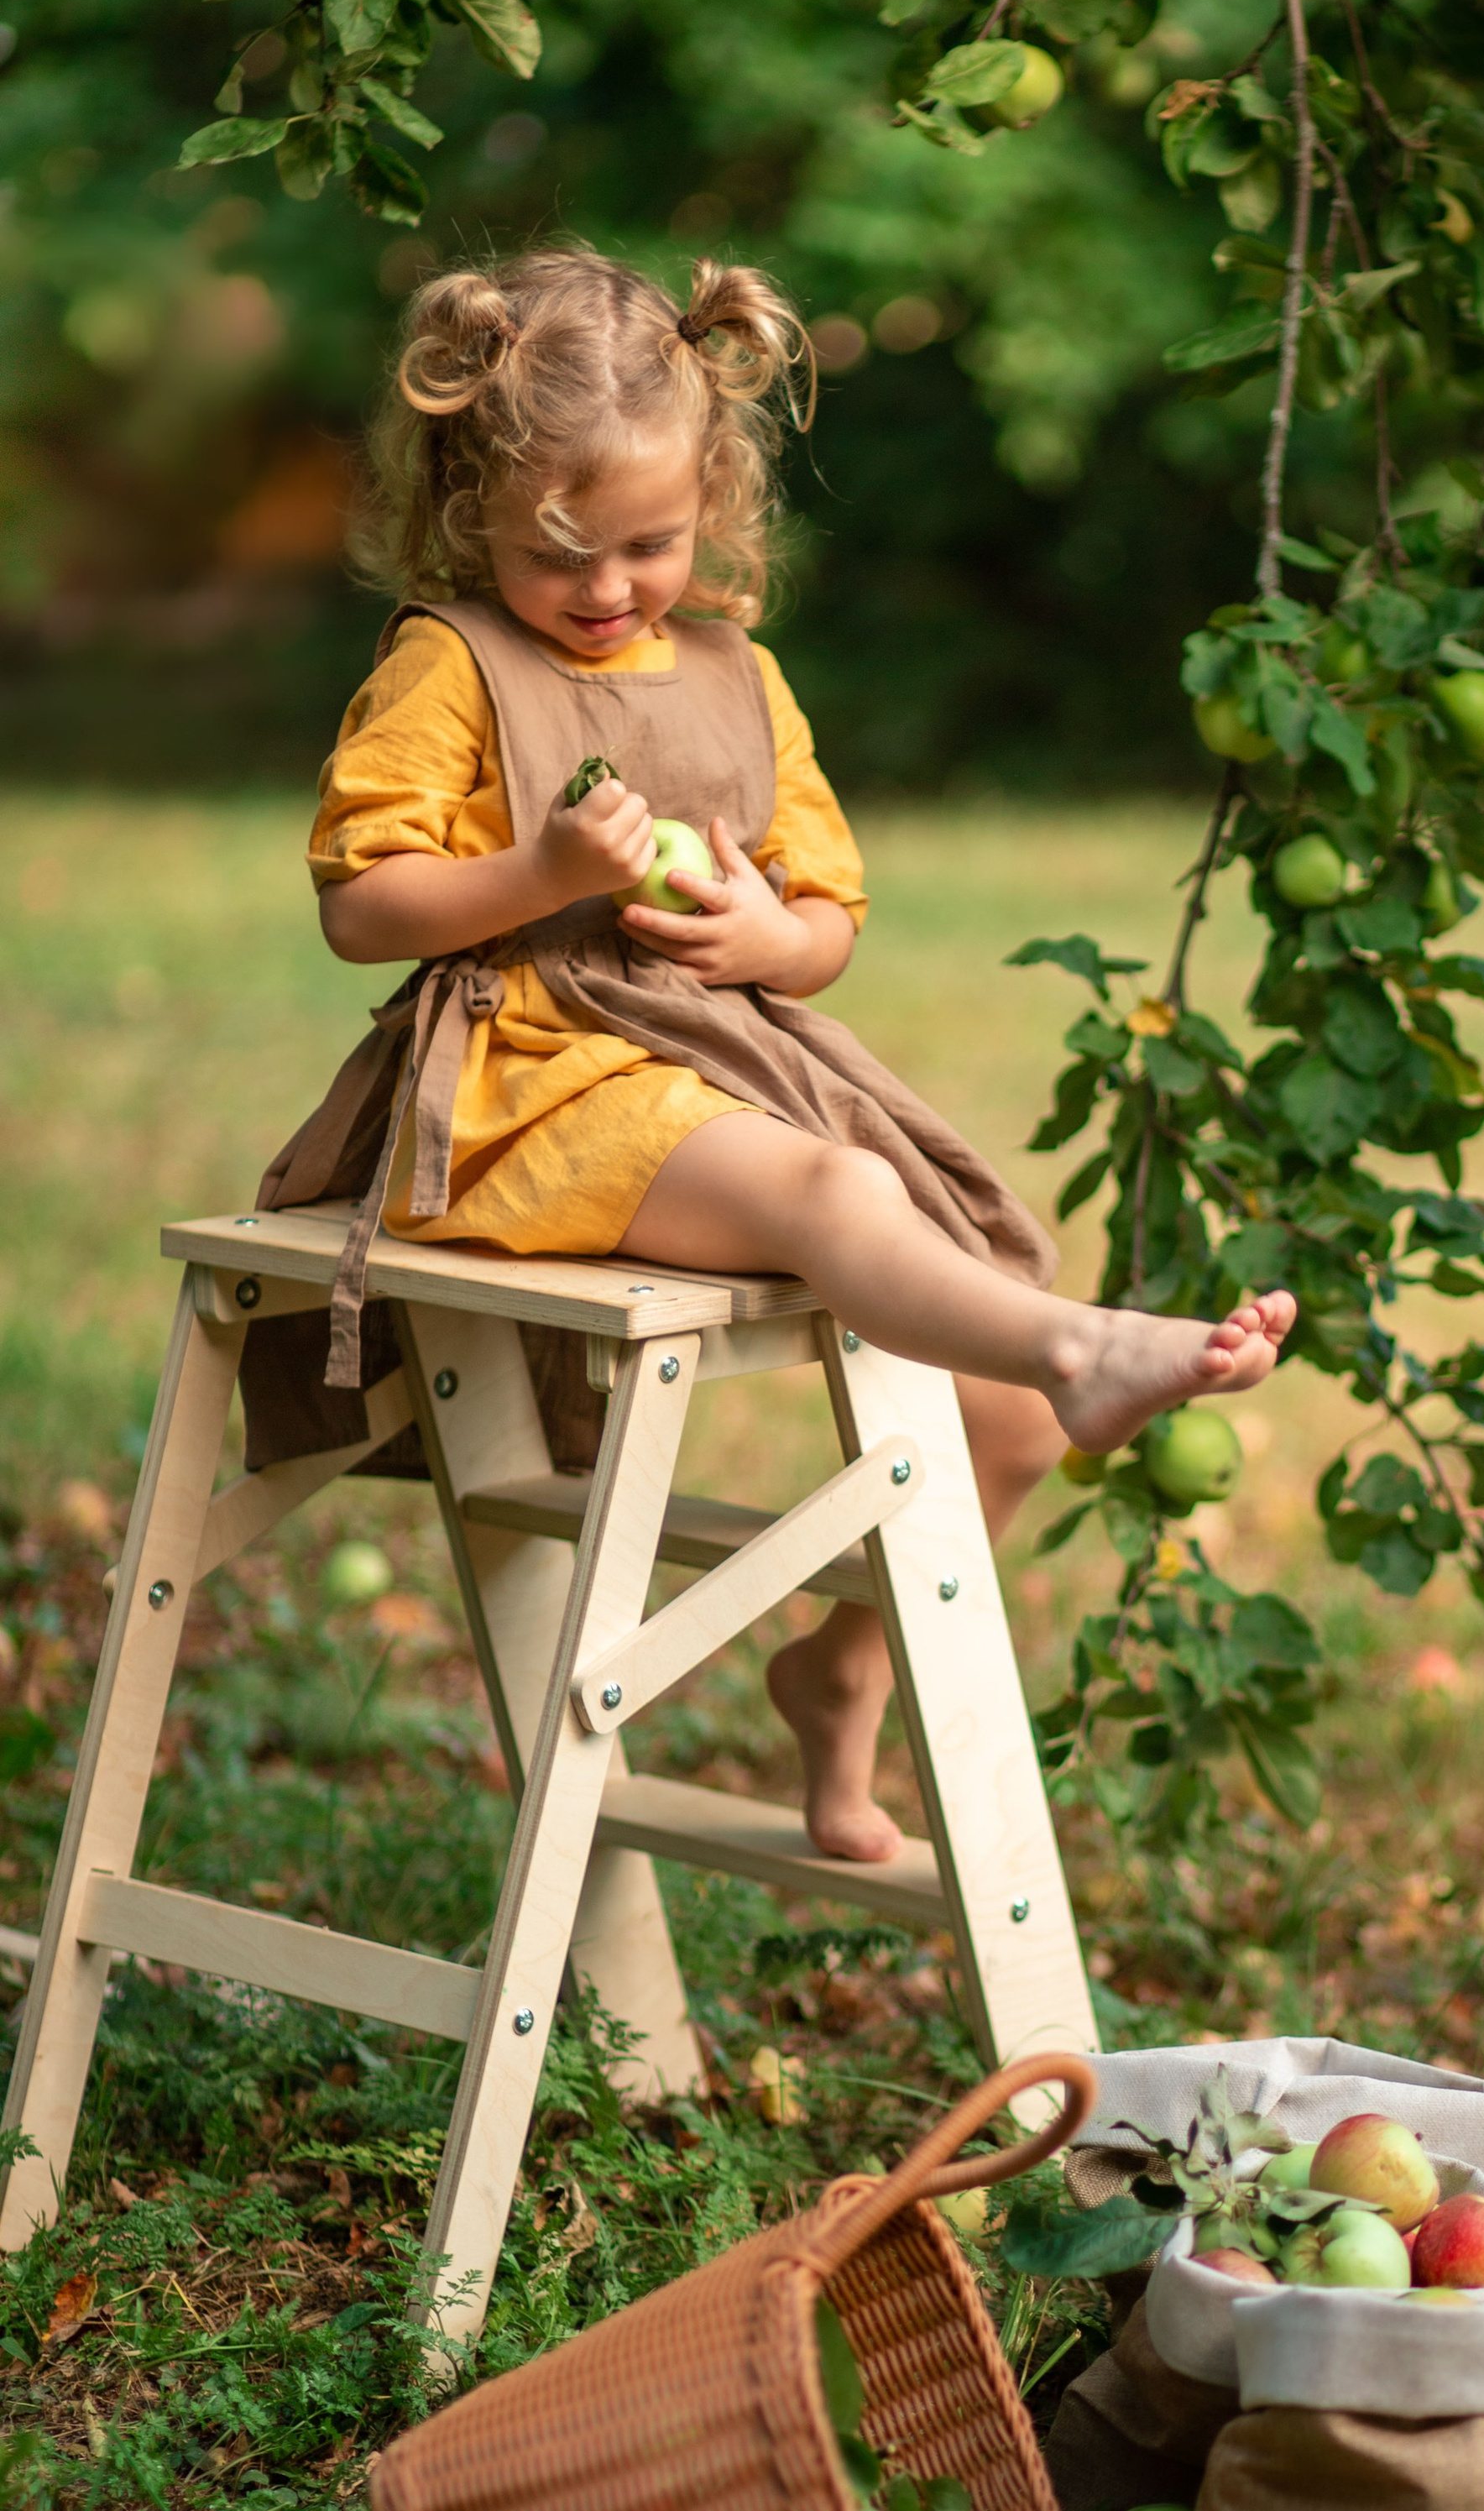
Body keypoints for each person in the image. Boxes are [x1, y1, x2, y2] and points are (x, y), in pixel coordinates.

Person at [267, 243, 1293, 1863]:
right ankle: (1093, 1353)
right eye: (560, 553)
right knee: (845, 1198)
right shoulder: (449, 664)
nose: (608, 590)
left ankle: (845, 1669)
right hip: (538, 1077)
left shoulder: (744, 673)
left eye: (651, 546)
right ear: (473, 513)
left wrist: (766, 944)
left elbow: (828, 915)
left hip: (735, 1048)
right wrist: (548, 876)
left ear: (714, 505)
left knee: (997, 1385)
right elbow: (360, 903)